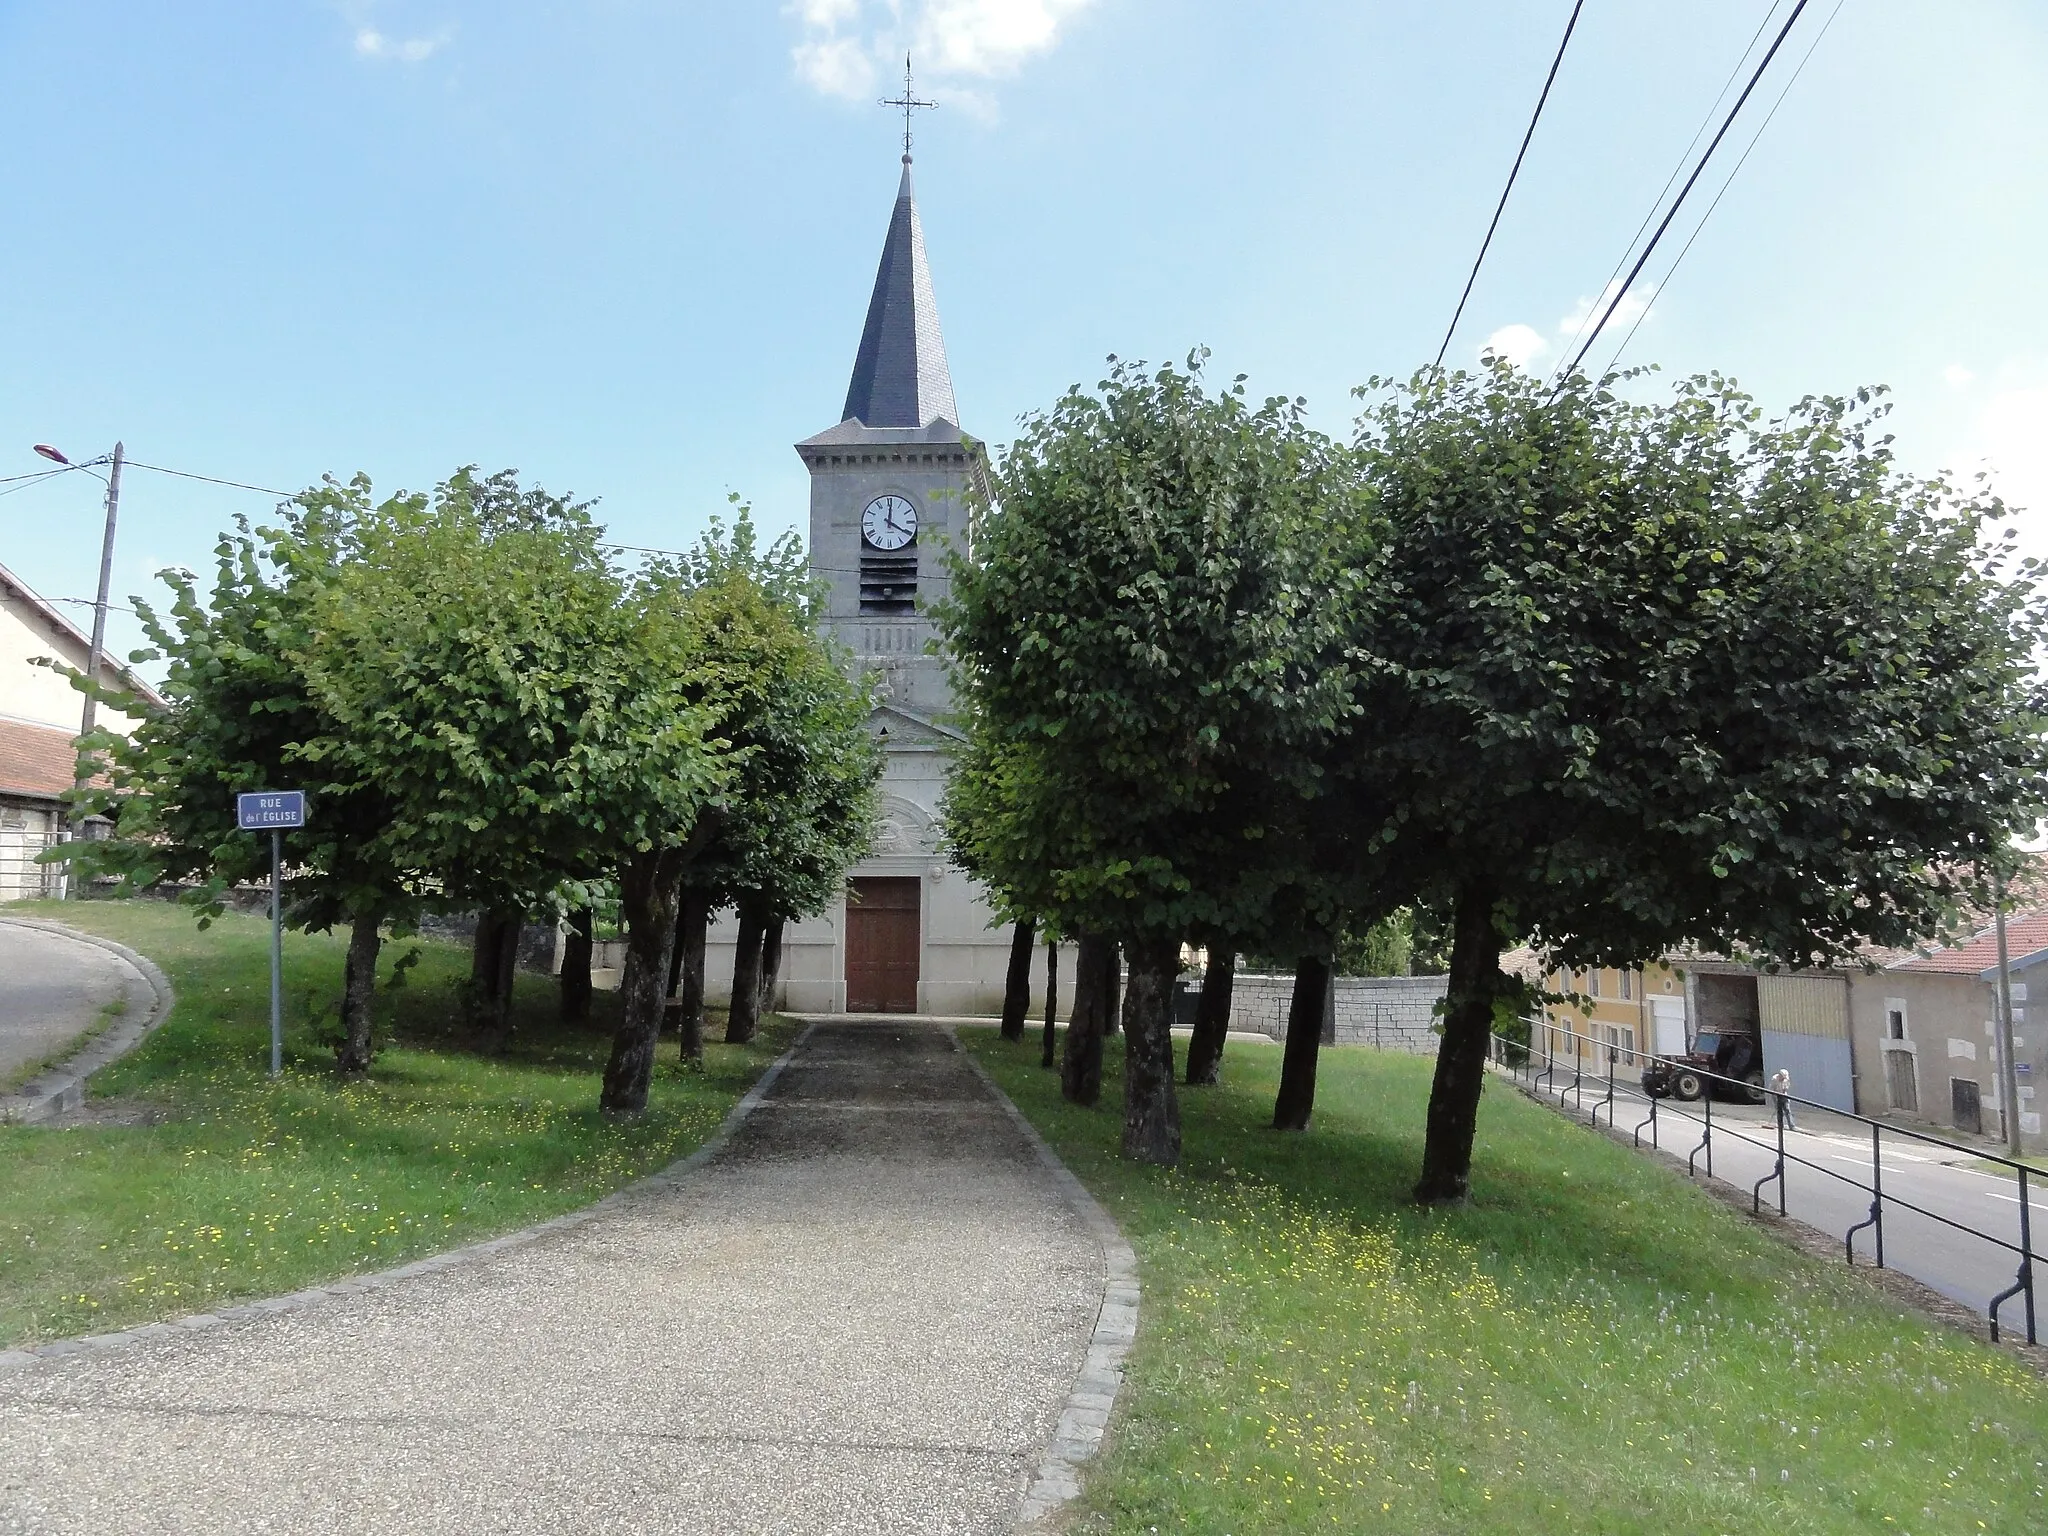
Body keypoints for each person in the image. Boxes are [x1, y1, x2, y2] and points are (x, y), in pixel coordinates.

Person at [1769, 1067, 1799, 1133]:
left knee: (1787, 1110)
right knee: (1779, 1111)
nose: (1783, 1079)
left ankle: (1791, 1126)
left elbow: (1786, 1087)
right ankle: (1780, 1124)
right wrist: (1775, 1098)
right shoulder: (1774, 1079)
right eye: (1782, 1077)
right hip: (1776, 1095)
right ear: (1780, 1075)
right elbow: (1771, 1089)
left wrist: (1784, 1092)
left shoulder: (1786, 1079)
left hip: (1784, 1095)